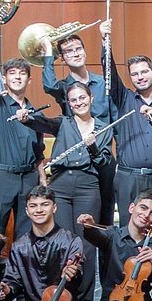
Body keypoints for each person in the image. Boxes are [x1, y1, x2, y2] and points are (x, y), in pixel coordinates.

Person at [0, 42, 56, 233]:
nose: (17, 77)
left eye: (22, 73)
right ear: (5, 79)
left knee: (27, 235)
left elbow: (39, 153)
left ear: (29, 80)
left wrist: (42, 180)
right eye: (12, 73)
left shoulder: (36, 114)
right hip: (2, 177)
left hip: (29, 178)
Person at [40, 26, 111, 218]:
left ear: (85, 51)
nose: (75, 53)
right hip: (79, 160)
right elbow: (48, 85)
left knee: (104, 216)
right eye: (69, 51)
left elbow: (112, 115)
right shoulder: (64, 88)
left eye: (78, 49)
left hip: (101, 156)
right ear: (62, 58)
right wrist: (48, 52)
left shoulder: (103, 83)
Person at [105, 32, 152, 207]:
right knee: (127, 230)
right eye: (134, 74)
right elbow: (109, 73)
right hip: (128, 179)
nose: (140, 77)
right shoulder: (124, 99)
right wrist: (106, 41)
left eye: (144, 72)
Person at [43, 80, 111, 231]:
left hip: (88, 186)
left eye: (82, 98)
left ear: (91, 98)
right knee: (62, 237)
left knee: (86, 239)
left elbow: (104, 163)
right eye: (73, 100)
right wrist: (27, 118)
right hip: (60, 185)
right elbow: (42, 122)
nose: (79, 103)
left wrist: (93, 147)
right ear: (69, 103)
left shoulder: (104, 128)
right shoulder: (62, 123)